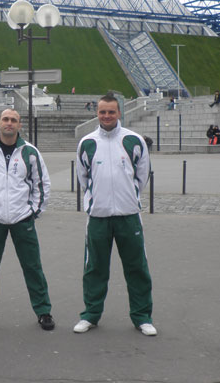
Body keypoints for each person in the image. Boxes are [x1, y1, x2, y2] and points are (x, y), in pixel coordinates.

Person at [74, 92, 156, 337]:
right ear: (97, 113)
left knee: (137, 267)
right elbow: (83, 178)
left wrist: (128, 196)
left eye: (111, 112)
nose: (107, 116)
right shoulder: (87, 142)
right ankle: (90, 315)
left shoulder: (134, 140)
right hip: (98, 216)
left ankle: (142, 317)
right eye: (102, 112)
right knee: (94, 268)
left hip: (128, 215)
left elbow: (142, 176)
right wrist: (96, 199)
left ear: (119, 112)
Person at [0, 108, 54, 332]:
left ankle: (43, 311)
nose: (9, 123)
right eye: (5, 119)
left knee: (33, 267)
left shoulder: (29, 152)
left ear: (19, 125)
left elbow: (41, 183)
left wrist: (33, 211)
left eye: (13, 120)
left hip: (22, 219)